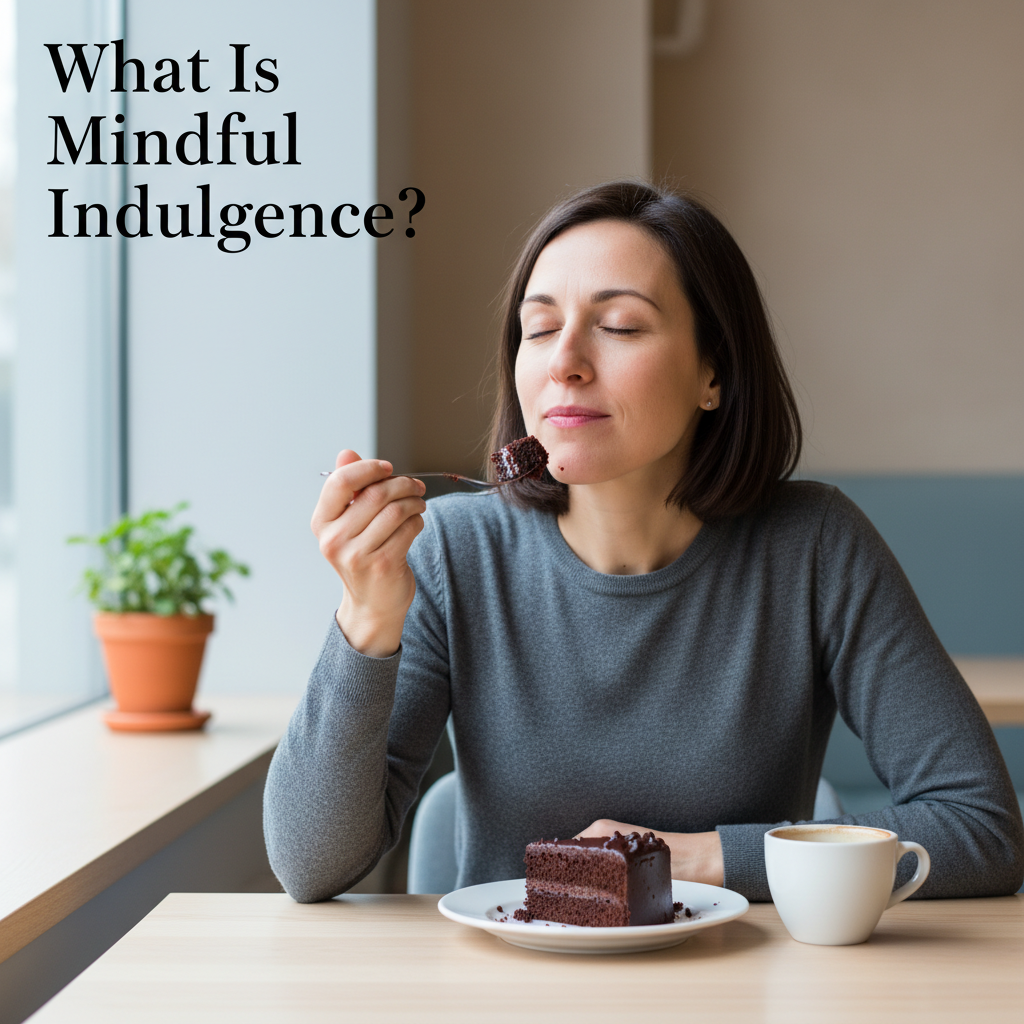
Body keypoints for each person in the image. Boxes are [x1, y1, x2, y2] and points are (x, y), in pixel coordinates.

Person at [264, 181, 1023, 902]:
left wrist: (695, 857)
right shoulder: (454, 553)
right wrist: (365, 623)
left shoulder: (814, 546)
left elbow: (981, 829)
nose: (565, 361)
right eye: (539, 328)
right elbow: (309, 864)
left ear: (713, 372)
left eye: (620, 325)